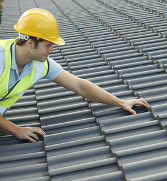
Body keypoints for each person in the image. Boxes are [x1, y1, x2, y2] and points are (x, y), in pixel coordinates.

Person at [0, 8, 150, 142]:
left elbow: (80, 85)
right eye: (48, 45)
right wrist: (17, 131)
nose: (51, 51)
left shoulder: (41, 65)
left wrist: (120, 102)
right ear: (31, 43)